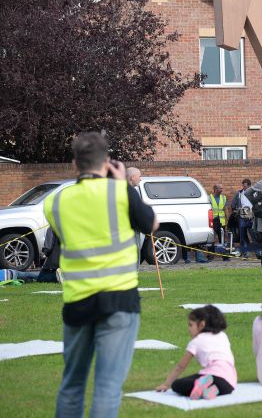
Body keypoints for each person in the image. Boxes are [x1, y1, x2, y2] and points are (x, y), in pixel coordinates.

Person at [43, 132, 157, 418]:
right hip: (119, 299)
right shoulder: (120, 192)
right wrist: (122, 186)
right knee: (107, 387)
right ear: (106, 162)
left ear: (74, 163)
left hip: (78, 299)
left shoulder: (55, 202)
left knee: (72, 384)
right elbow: (150, 224)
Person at [156, 305, 237, 399]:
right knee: (201, 380)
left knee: (177, 384)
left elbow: (180, 366)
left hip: (212, 375)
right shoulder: (222, 335)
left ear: (202, 325)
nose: (188, 329)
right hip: (229, 383)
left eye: (190, 325)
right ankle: (208, 391)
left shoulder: (196, 342)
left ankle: (203, 387)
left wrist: (167, 384)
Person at [231, 179, 254, 259]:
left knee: (254, 235)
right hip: (242, 216)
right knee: (242, 236)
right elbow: (233, 205)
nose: (244, 187)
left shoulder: (254, 193)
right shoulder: (239, 193)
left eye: (245, 186)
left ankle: (258, 252)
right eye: (243, 186)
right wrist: (237, 211)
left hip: (252, 216)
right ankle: (245, 252)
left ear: (249, 186)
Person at [209, 184, 230, 262]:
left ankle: (225, 256)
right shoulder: (209, 198)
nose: (221, 190)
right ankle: (210, 256)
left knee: (222, 238)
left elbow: (226, 209)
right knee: (211, 238)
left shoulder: (223, 197)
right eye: (220, 188)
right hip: (212, 220)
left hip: (221, 221)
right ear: (215, 189)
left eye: (222, 188)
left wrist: (227, 220)